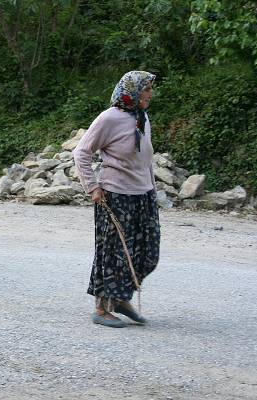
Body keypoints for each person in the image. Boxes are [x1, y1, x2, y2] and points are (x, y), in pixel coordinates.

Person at [73, 71, 160, 328]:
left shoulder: (141, 118)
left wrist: (152, 191)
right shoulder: (109, 118)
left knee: (147, 253)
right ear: (132, 91)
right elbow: (81, 153)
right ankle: (101, 308)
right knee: (112, 255)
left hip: (143, 196)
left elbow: (145, 160)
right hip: (115, 196)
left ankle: (121, 299)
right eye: (146, 90)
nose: (150, 95)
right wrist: (92, 187)